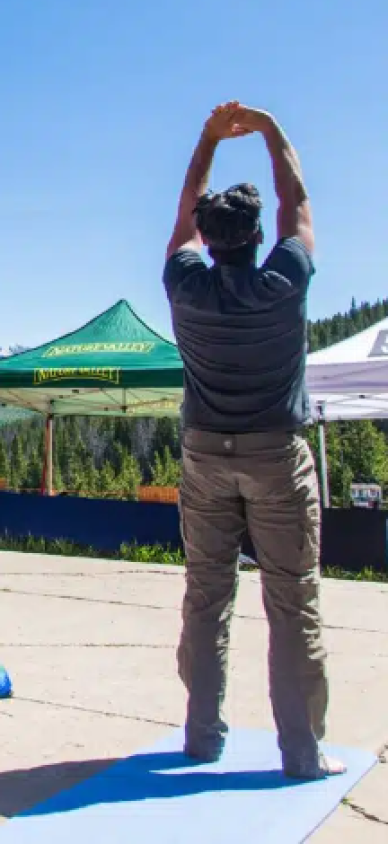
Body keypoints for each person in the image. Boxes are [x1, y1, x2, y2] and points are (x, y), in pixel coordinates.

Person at [164, 103, 341, 780]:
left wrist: (207, 137)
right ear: (259, 234)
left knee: (207, 596)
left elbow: (183, 206)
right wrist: (270, 129)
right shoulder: (284, 279)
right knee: (293, 600)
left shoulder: (184, 285)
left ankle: (201, 736)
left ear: (207, 240)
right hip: (276, 453)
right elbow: (297, 195)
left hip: (206, 454)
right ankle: (301, 752)